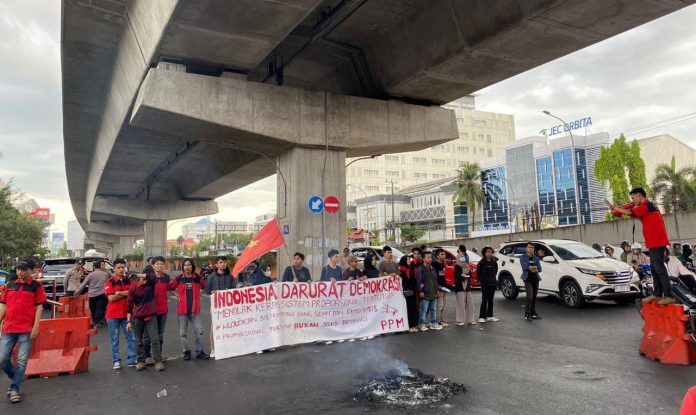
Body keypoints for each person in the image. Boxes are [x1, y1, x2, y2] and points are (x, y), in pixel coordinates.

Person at [608, 188, 674, 304]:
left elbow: (629, 212)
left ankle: (669, 295)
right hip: (654, 241)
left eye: (633, 198)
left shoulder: (646, 206)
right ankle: (657, 294)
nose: (632, 201)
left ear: (639, 196)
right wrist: (617, 210)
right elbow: (628, 211)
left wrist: (615, 208)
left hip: (657, 241)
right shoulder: (647, 207)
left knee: (659, 268)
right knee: (654, 269)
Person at [0, 259, 46, 403]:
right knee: (2, 359)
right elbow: (4, 306)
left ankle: (14, 389)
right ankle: (17, 378)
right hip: (8, 328)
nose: (20, 271)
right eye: (19, 269)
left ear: (32, 270)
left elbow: (39, 307)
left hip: (26, 329)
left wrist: (36, 327)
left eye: (24, 269)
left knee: (21, 361)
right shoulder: (10, 285)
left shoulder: (36, 286)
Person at [126, 265, 165, 372]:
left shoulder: (151, 284)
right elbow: (129, 307)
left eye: (146, 278)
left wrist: (138, 275)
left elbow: (153, 277)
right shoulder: (133, 288)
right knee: (139, 341)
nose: (145, 280)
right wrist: (128, 321)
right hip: (138, 317)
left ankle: (158, 361)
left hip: (151, 316)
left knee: (155, 339)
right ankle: (141, 362)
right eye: (144, 278)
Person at [172, 258, 209, 361]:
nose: (187, 267)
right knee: (182, 334)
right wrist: (177, 295)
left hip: (195, 310)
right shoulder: (179, 278)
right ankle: (186, 351)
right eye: (185, 265)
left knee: (199, 332)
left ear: (192, 266)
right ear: (183, 267)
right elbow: (170, 287)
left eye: (189, 265)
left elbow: (204, 286)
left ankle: (199, 351)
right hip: (182, 311)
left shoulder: (198, 278)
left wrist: (199, 294)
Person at [104, 258, 136, 370]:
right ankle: (116, 361)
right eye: (119, 268)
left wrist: (119, 292)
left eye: (123, 267)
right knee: (114, 339)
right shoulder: (110, 282)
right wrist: (127, 294)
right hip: (112, 315)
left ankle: (132, 359)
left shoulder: (130, 281)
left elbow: (134, 292)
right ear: (114, 269)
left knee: (131, 337)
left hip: (127, 315)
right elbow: (111, 298)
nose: (121, 270)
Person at [143, 256, 173, 364]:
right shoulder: (149, 278)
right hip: (150, 310)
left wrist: (179, 296)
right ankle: (146, 356)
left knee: (160, 334)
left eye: (161, 264)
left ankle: (158, 356)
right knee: (148, 335)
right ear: (153, 265)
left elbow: (170, 288)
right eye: (157, 264)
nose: (160, 266)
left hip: (163, 310)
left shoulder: (166, 277)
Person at [206, 256, 236, 358]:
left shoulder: (230, 277)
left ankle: (226, 346)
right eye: (220, 262)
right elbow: (207, 291)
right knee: (214, 326)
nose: (223, 264)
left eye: (224, 262)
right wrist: (212, 292)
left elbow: (234, 290)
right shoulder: (211, 277)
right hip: (215, 305)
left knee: (228, 325)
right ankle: (213, 348)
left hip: (228, 306)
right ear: (217, 264)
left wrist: (229, 292)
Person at [77, 259, 108, 328]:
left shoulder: (90, 275)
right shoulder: (105, 274)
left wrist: (77, 292)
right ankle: (96, 321)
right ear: (100, 266)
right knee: (99, 308)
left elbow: (83, 284)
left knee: (93, 308)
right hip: (102, 294)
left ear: (93, 267)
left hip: (92, 295)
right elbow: (106, 283)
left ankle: (95, 321)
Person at [416, 251, 441, 331]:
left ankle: (433, 323)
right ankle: (422, 324)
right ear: (423, 259)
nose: (430, 259)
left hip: (433, 293)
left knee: (433, 309)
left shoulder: (433, 268)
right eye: (428, 257)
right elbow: (419, 281)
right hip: (425, 293)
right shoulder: (420, 269)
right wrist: (421, 291)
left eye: (431, 257)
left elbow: (435, 280)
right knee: (424, 310)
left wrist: (437, 290)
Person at [454, 245, 476, 326]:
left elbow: (470, 274)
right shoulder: (457, 266)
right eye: (461, 256)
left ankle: (471, 319)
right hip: (460, 287)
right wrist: (462, 276)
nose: (462, 257)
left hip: (467, 287)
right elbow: (456, 277)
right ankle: (460, 320)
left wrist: (467, 274)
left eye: (463, 256)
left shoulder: (467, 265)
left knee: (470, 304)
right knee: (461, 304)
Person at [520, 242, 542, 322]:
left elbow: (539, 269)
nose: (531, 249)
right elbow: (524, 267)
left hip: (535, 279)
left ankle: (533, 313)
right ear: (526, 248)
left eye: (532, 248)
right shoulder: (522, 257)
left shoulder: (536, 258)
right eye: (529, 247)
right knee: (530, 296)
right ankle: (527, 314)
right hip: (527, 279)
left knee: (534, 297)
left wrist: (532, 267)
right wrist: (531, 267)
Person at [477, 247, 499, 324]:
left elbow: (495, 272)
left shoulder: (494, 262)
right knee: (484, 300)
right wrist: (483, 282)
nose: (490, 253)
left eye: (491, 252)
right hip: (485, 284)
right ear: (484, 253)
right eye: (488, 252)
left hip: (492, 284)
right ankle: (482, 317)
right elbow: (479, 274)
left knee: (491, 300)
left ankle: (490, 316)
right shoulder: (481, 263)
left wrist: (493, 281)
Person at [432, 248, 454, 327]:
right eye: (442, 254)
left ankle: (441, 319)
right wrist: (437, 286)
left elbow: (443, 275)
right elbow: (433, 277)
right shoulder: (434, 264)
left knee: (443, 304)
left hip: (444, 287)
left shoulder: (443, 264)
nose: (444, 256)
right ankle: (438, 321)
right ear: (437, 256)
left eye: (444, 254)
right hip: (438, 288)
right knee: (439, 305)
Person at [398, 256, 419, 333]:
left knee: (413, 308)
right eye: (407, 259)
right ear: (403, 260)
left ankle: (413, 325)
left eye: (409, 259)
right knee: (408, 309)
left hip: (412, 290)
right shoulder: (400, 270)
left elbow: (413, 279)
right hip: (405, 291)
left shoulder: (410, 269)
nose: (409, 260)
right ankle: (408, 326)